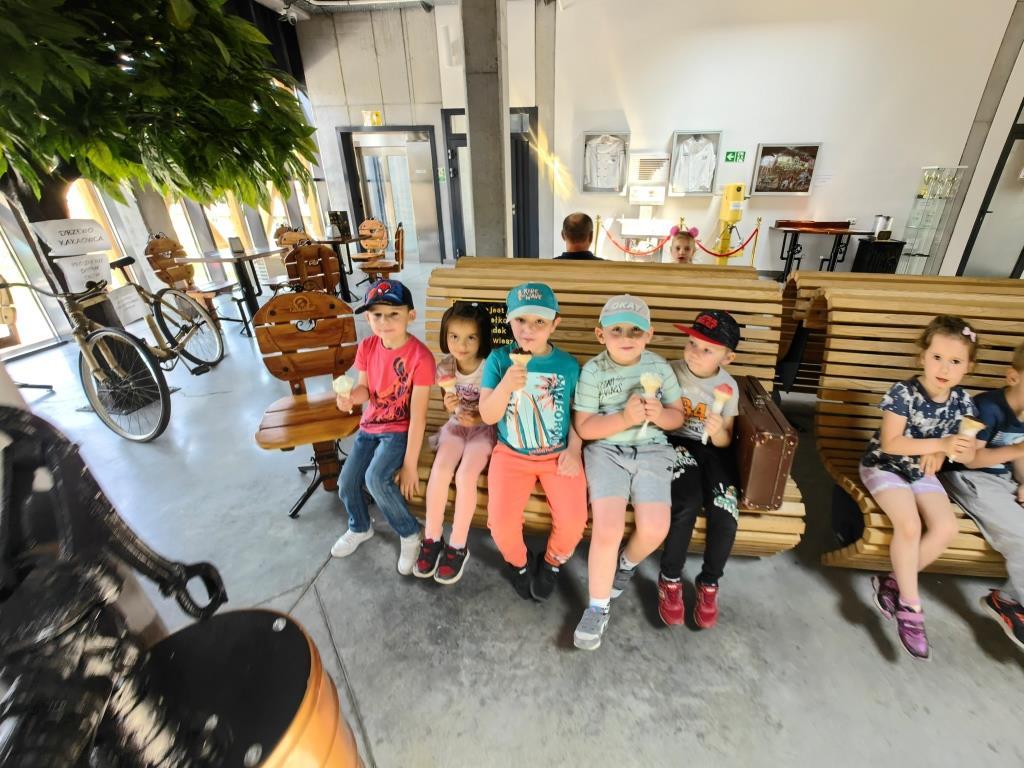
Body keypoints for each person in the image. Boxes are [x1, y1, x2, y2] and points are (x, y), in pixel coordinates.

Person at [859, 315, 979, 660]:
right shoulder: (903, 393)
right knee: (909, 525)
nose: (944, 368)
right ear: (922, 356)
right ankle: (911, 609)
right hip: (884, 466)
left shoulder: (963, 403)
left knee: (947, 528)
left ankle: (892, 583)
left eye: (955, 361)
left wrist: (955, 450)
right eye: (937, 357)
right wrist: (940, 445)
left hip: (922, 472)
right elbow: (892, 443)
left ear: (968, 367)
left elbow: (967, 452)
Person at [571, 295, 685, 650]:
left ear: (649, 335)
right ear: (600, 334)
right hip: (605, 451)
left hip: (652, 450)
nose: (626, 337)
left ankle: (626, 563)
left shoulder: (659, 368)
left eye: (635, 331)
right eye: (616, 330)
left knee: (655, 528)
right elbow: (585, 427)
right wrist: (623, 418)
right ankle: (597, 607)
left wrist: (660, 414)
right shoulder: (594, 371)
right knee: (608, 528)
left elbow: (677, 417)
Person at [478, 282, 587, 600]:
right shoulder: (499, 360)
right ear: (509, 321)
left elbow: (578, 414)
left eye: (540, 321)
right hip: (510, 454)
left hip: (558, 455)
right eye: (521, 320)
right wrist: (505, 386)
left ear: (555, 324)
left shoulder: (567, 366)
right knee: (500, 524)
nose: (528, 329)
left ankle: (552, 562)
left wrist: (574, 449)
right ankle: (519, 564)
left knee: (573, 522)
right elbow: (488, 414)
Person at [330, 279, 436, 575]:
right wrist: (351, 398)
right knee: (346, 482)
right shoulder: (367, 347)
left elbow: (418, 416)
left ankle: (410, 532)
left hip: (399, 430)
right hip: (369, 427)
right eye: (376, 314)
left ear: (410, 315)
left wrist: (410, 464)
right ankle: (360, 527)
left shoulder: (420, 358)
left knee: (376, 478)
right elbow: (365, 389)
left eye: (393, 314)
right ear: (367, 318)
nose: (384, 322)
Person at [659, 310, 742, 630]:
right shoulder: (670, 372)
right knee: (686, 502)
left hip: (713, 451)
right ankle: (670, 578)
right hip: (675, 443)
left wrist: (718, 430)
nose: (695, 352)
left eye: (707, 349)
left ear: (727, 357)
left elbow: (726, 440)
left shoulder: (728, 387)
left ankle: (709, 582)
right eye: (692, 343)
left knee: (726, 510)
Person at [941, 341, 1024, 651]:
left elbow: (1019, 455)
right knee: (1021, 537)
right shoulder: (985, 408)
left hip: (1003, 479)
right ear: (1013, 377)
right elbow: (969, 459)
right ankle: (1011, 603)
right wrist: (1017, 449)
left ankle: (1008, 601)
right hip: (968, 478)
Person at [415, 302, 496, 585]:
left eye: (471, 337)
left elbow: (499, 408)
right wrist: (449, 404)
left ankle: (459, 544)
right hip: (455, 427)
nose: (461, 345)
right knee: (439, 472)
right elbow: (447, 403)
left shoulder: (491, 367)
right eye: (454, 337)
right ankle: (432, 537)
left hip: (484, 430)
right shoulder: (445, 367)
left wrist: (479, 417)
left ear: (482, 338)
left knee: (465, 476)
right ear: (445, 337)